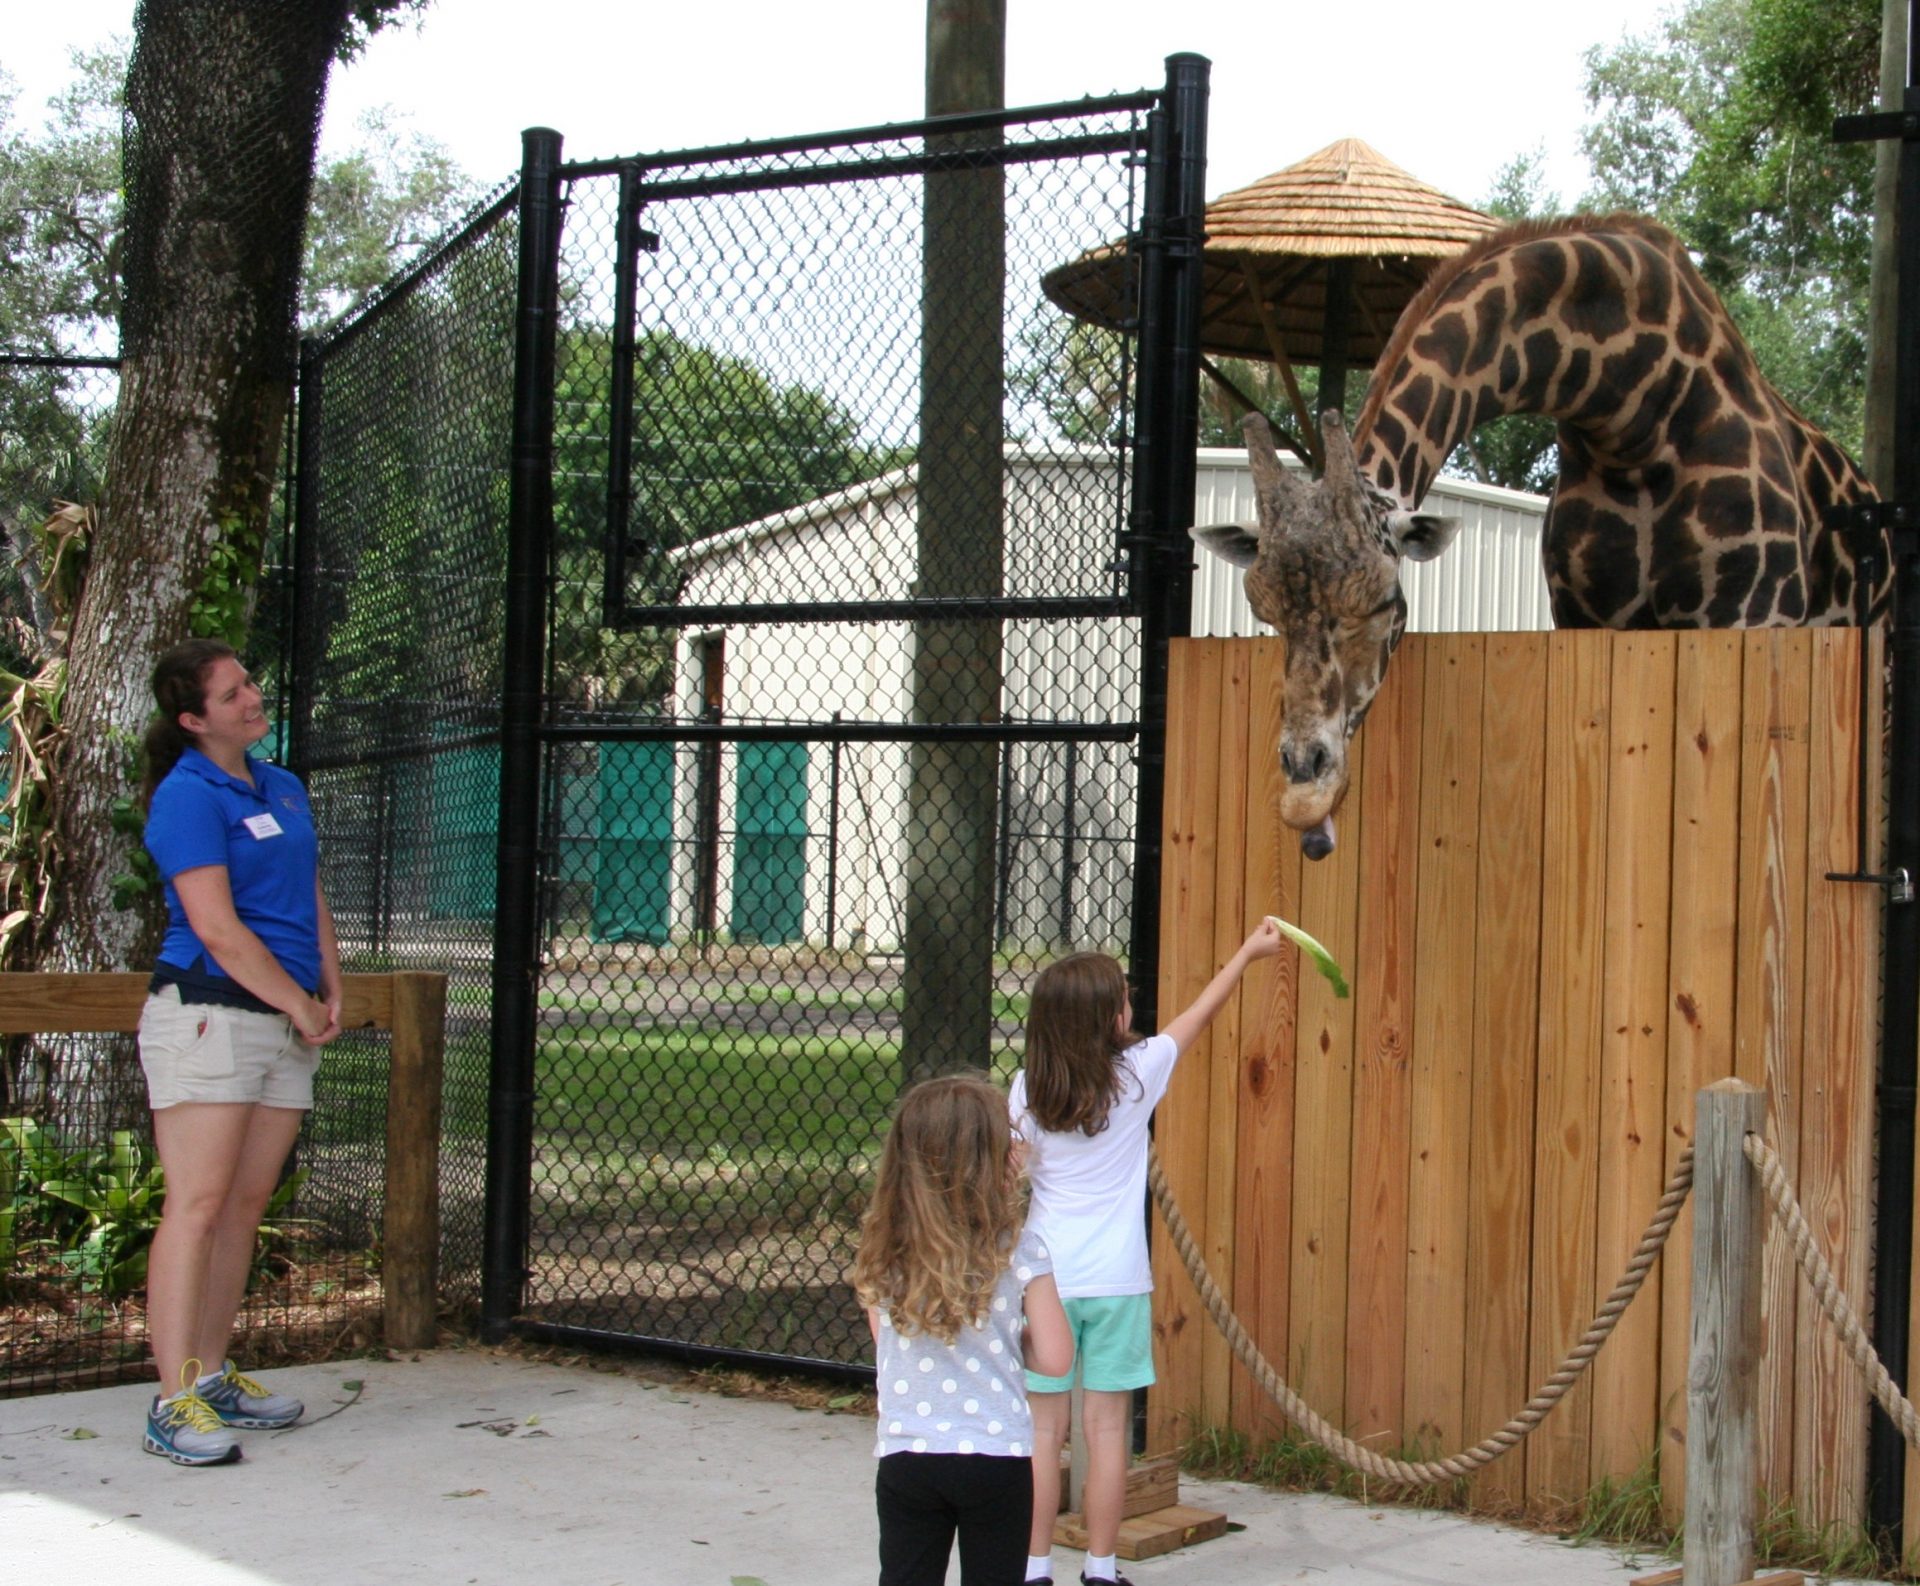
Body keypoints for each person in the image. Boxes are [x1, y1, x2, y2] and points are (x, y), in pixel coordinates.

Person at [1012, 920, 1283, 1586]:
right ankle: (1101, 1570)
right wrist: (1246, 953)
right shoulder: (1136, 1076)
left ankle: (1033, 1568)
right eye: (1123, 1000)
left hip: (1042, 1282)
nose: (1132, 1007)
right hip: (1117, 1284)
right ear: (1110, 1019)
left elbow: (1013, 1171)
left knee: (1041, 1436)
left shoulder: (1025, 1090)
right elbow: (1199, 1014)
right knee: (1107, 1434)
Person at [134, 639, 344, 1466]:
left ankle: (210, 1374)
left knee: (245, 1204)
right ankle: (171, 1400)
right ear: (194, 720)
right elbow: (217, 927)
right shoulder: (188, 796)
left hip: (286, 1020)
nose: (252, 697)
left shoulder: (283, 785)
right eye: (232, 694)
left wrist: (331, 984)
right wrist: (295, 1000)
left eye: (250, 681)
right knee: (197, 1204)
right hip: (209, 1015)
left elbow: (309, 890)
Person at [853, 1071, 1075, 1586]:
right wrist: (1009, 1340)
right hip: (995, 1455)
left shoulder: (882, 1251)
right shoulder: (1021, 1250)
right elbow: (1056, 1357)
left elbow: (886, 1342)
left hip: (908, 1451)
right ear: (988, 1161)